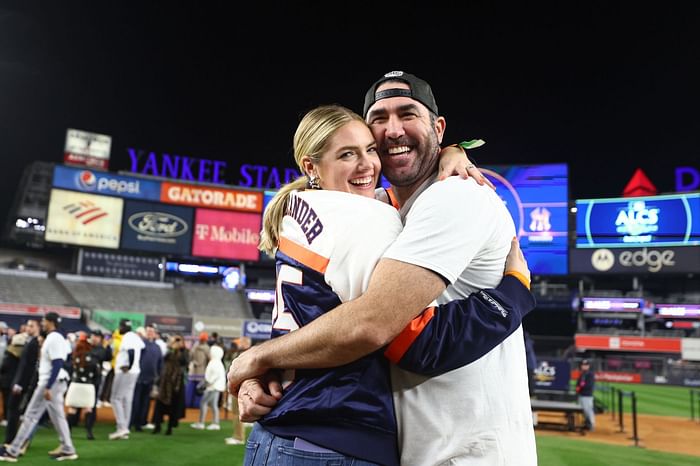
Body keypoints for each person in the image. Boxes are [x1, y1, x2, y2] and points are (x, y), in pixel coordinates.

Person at [228, 100, 536, 465]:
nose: (367, 164)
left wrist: (449, 152)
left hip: (289, 430)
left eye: (370, 150)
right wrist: (514, 292)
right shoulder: (363, 219)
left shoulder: (302, 207)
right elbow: (416, 339)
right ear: (311, 166)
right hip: (333, 438)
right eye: (347, 154)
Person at [0, 312, 77, 462]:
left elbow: (57, 363)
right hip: (57, 381)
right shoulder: (60, 338)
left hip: (50, 382)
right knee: (58, 417)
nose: (43, 323)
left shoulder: (54, 338)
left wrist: (48, 386)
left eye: (44, 320)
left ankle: (13, 450)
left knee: (30, 416)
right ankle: (68, 448)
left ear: (51, 322)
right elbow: (65, 359)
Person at [3, 319, 40, 446]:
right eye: (27, 326)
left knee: (18, 412)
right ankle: (16, 440)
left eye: (31, 326)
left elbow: (28, 366)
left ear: (37, 328)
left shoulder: (34, 343)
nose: (27, 329)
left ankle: (13, 441)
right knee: (20, 412)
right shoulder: (30, 342)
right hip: (22, 382)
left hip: (24, 384)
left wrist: (20, 383)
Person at [109, 318, 145, 440]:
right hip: (134, 371)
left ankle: (122, 427)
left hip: (125, 372)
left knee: (115, 398)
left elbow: (131, 352)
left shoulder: (128, 337)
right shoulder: (135, 336)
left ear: (123, 327)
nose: (119, 328)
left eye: (120, 326)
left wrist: (128, 366)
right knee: (126, 399)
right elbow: (143, 350)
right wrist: (135, 365)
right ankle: (125, 428)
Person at [152, 334, 188, 435]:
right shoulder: (169, 350)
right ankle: (157, 426)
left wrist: (179, 349)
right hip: (165, 381)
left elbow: (184, 362)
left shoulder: (184, 352)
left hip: (176, 383)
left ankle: (170, 428)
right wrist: (172, 347)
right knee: (160, 404)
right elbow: (165, 358)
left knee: (173, 406)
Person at [130, 325, 162, 432]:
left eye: (152, 331)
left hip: (151, 378)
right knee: (136, 401)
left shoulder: (157, 347)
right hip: (138, 377)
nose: (150, 333)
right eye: (148, 331)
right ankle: (132, 421)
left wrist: (158, 376)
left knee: (145, 402)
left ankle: (141, 422)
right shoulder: (140, 344)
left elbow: (160, 363)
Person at [191, 344, 226, 430]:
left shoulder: (214, 363)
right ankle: (215, 423)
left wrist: (206, 384)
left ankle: (201, 423)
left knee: (203, 403)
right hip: (214, 387)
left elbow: (213, 376)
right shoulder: (217, 362)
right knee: (213, 405)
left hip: (212, 387)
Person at [576, 358, 596, 431]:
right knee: (583, 411)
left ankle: (591, 425)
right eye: (583, 365)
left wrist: (580, 387)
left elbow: (589, 385)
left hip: (587, 395)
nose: (584, 366)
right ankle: (586, 423)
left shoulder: (590, 374)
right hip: (581, 395)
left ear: (588, 366)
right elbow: (578, 384)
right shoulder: (582, 374)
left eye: (586, 365)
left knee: (588, 410)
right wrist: (578, 387)